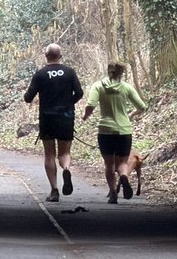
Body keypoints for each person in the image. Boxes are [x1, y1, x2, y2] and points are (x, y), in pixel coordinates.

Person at [23, 44, 84, 202]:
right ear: (60, 56)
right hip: (66, 116)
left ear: (46, 55)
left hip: (47, 117)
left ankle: (54, 190)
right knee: (64, 153)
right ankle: (66, 168)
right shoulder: (69, 72)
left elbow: (28, 97)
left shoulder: (40, 74)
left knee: (49, 154)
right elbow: (80, 93)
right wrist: (68, 103)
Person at [82, 61, 147, 203]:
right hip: (124, 130)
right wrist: (130, 115)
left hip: (105, 130)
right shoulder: (126, 88)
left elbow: (91, 105)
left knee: (109, 164)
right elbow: (142, 106)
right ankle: (123, 176)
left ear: (108, 71)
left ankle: (113, 194)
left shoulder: (98, 86)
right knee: (122, 163)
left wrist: (85, 116)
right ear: (121, 73)